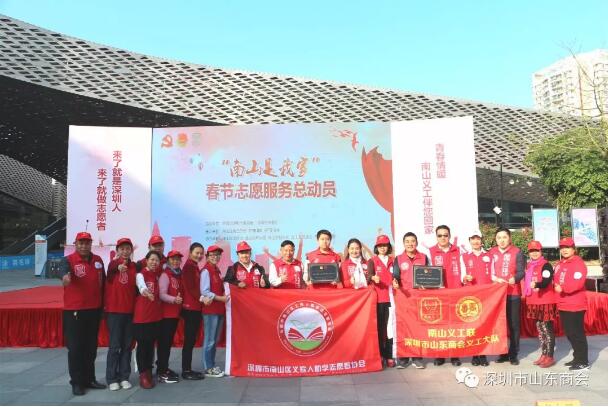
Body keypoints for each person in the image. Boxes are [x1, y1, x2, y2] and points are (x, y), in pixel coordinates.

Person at [60, 232, 107, 396]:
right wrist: (65, 277)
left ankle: (89, 379)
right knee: (75, 349)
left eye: (87, 243)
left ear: (91, 244)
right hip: (75, 311)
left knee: (91, 348)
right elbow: (63, 272)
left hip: (94, 310)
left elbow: (103, 284)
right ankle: (77, 382)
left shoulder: (98, 261)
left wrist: (103, 306)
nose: (84, 246)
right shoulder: (68, 260)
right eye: (81, 243)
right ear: (76, 244)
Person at [392, 232, 429, 369]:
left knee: (417, 328)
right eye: (407, 241)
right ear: (403, 244)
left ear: (416, 243)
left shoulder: (424, 257)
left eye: (412, 241)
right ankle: (403, 358)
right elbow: (395, 275)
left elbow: (429, 274)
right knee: (403, 327)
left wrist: (427, 285)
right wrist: (395, 282)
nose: (410, 244)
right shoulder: (399, 259)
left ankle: (417, 357)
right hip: (403, 298)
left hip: (419, 298)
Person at [104, 238, 137, 391]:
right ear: (117, 251)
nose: (125, 251)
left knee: (127, 346)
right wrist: (118, 266)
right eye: (122, 249)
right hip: (114, 312)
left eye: (127, 248)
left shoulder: (134, 267)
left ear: (131, 250)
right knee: (115, 346)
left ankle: (124, 377)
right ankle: (111, 378)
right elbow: (112, 268)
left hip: (130, 312)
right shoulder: (113, 265)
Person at [490, 227, 525, 365]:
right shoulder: (491, 252)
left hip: (513, 293)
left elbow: (521, 271)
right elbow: (488, 272)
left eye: (504, 237)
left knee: (514, 324)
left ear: (509, 238)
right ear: (495, 239)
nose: (502, 240)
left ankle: (514, 353)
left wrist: (515, 278)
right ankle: (503, 352)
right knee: (500, 324)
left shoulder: (517, 252)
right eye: (499, 238)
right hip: (496, 294)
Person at [429, 225, 463, 367]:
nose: (443, 238)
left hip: (456, 293)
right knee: (439, 325)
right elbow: (426, 273)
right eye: (440, 235)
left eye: (445, 235)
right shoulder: (430, 252)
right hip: (438, 295)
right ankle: (440, 355)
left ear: (449, 236)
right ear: (436, 237)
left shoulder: (458, 251)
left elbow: (464, 269)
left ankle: (455, 355)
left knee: (454, 325)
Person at [554, 237, 589, 371]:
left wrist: (563, 288)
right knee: (569, 333)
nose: (564, 250)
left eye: (567, 247)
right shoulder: (560, 264)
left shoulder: (578, 264)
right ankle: (577, 357)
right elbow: (555, 279)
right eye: (562, 248)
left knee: (577, 333)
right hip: (563, 303)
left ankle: (583, 361)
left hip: (575, 304)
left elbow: (578, 283)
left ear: (574, 249)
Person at [524, 240, 557, 368]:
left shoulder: (546, 265)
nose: (534, 253)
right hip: (533, 301)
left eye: (536, 250)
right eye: (532, 251)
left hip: (545, 301)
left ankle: (550, 356)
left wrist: (537, 284)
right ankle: (543, 354)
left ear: (541, 251)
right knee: (540, 330)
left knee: (547, 329)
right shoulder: (529, 265)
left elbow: (546, 281)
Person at [134, 250, 163, 389]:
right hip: (142, 317)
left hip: (154, 316)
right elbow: (141, 286)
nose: (154, 262)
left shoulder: (156, 276)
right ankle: (143, 374)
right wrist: (146, 292)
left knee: (151, 345)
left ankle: (149, 370)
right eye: (152, 259)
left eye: (156, 260)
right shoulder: (141, 274)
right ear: (146, 260)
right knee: (142, 346)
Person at [462, 230, 492, 367]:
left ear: (481, 240)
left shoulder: (489, 255)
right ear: (469, 241)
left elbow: (493, 274)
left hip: (486, 296)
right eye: (473, 239)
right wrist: (465, 278)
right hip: (471, 296)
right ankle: (475, 354)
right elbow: (461, 276)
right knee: (473, 325)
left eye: (478, 239)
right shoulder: (464, 256)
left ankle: (483, 354)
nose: (476, 241)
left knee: (484, 324)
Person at [200, 245, 229, 378]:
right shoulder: (206, 271)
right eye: (212, 255)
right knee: (210, 340)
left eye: (217, 255)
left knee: (215, 340)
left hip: (219, 309)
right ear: (207, 257)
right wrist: (220, 298)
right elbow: (204, 291)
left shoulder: (216, 270)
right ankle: (208, 367)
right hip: (210, 310)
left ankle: (211, 365)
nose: (215, 257)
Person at [157, 250, 184, 384]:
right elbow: (161, 294)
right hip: (165, 316)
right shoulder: (165, 275)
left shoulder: (178, 275)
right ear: (168, 260)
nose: (176, 261)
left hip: (174, 315)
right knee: (164, 344)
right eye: (173, 259)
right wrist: (174, 300)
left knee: (167, 344)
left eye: (178, 259)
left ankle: (164, 368)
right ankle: (161, 372)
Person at [368, 235, 395, 368]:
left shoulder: (393, 260)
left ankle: (389, 355)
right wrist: (373, 277)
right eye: (380, 246)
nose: (382, 248)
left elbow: (398, 276)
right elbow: (368, 276)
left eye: (385, 245)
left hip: (391, 299)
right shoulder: (372, 261)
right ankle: (380, 355)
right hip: (378, 299)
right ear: (376, 247)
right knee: (379, 328)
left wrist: (396, 282)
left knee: (390, 328)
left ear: (388, 247)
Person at [180, 242, 205, 380]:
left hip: (195, 307)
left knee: (191, 339)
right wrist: (202, 298)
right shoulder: (189, 267)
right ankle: (186, 370)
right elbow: (191, 287)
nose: (199, 255)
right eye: (197, 253)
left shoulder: (194, 266)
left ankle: (187, 368)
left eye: (201, 253)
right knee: (189, 340)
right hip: (190, 308)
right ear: (190, 253)